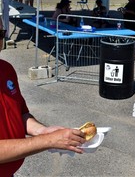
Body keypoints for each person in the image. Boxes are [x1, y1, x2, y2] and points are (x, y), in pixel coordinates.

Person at [0, 18, 86, 176]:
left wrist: (43, 131)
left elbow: (21, 114)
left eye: (0, 33)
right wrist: (49, 140)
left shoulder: (6, 69)